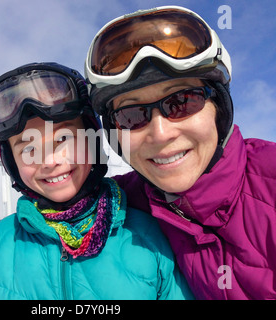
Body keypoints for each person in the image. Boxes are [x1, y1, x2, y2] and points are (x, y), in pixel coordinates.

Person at [83, 6, 276, 299]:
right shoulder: (125, 201)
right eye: (131, 116)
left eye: (182, 102)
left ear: (219, 109)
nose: (161, 134)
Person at [0, 62, 192, 299]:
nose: (50, 161)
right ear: (11, 163)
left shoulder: (148, 236)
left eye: (64, 138)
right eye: (28, 148)